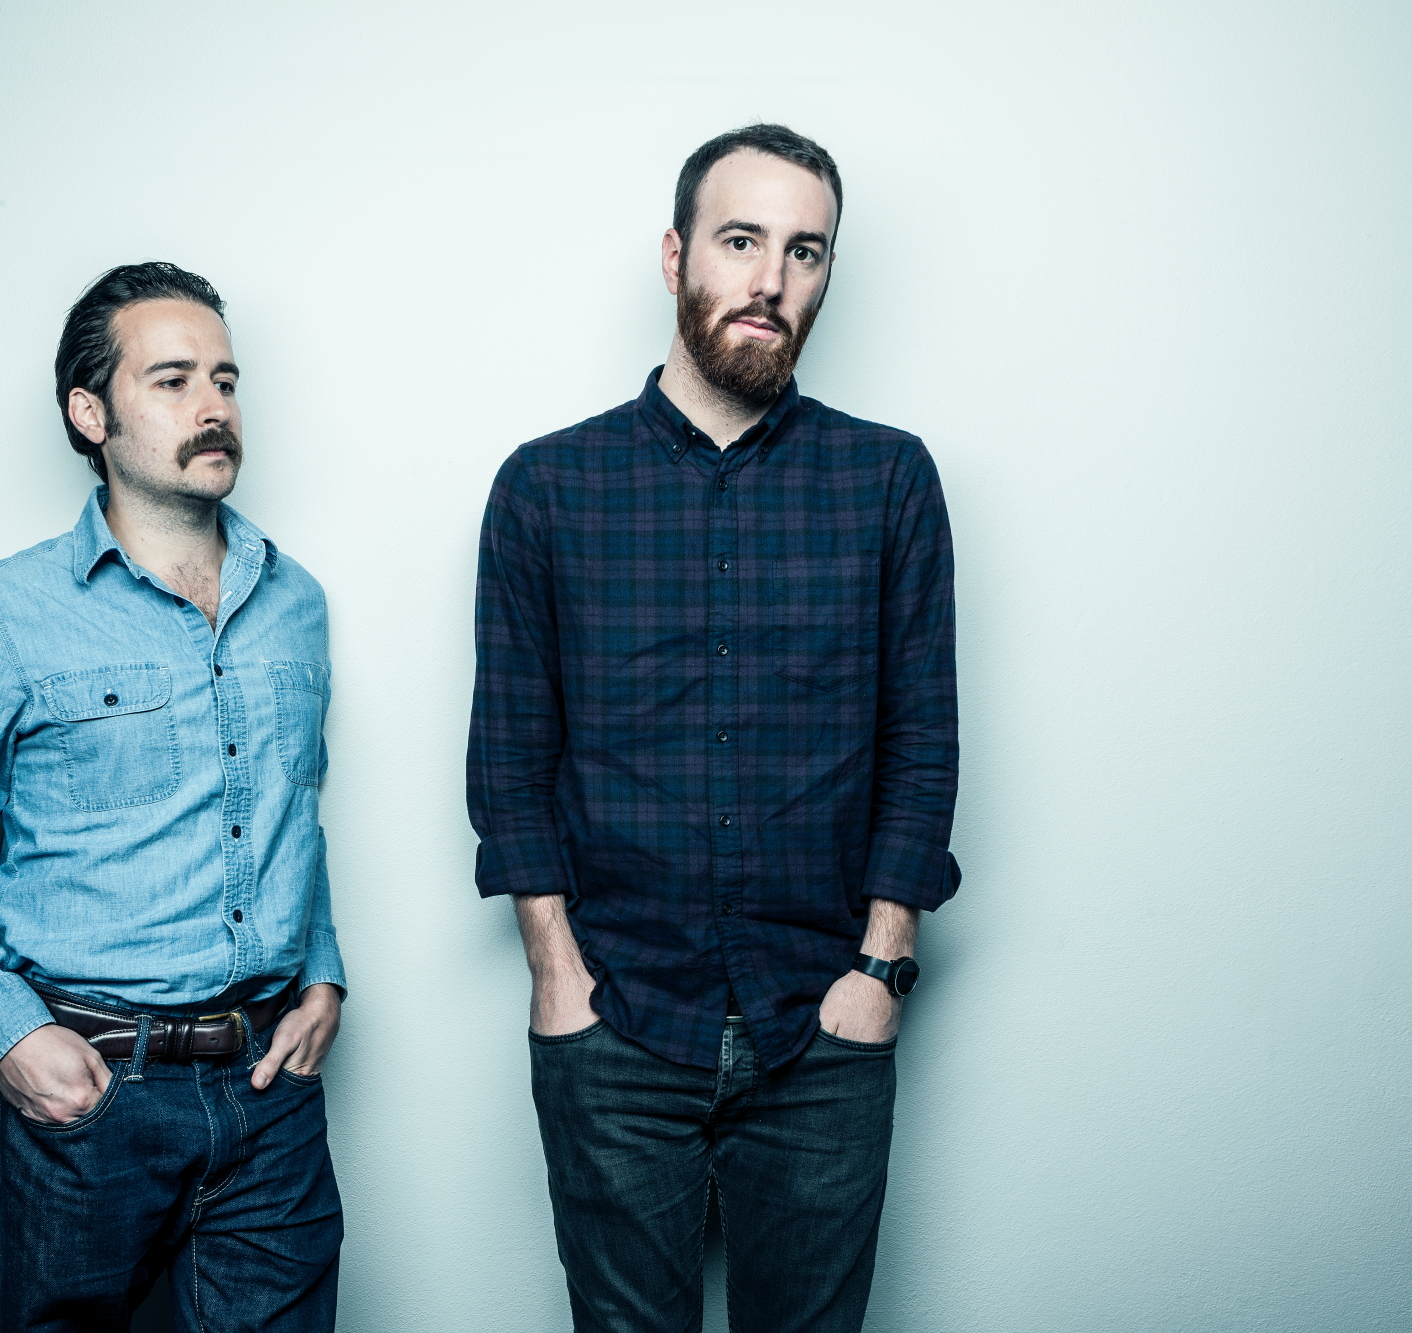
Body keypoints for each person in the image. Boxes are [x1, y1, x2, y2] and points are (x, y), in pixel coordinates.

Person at [468, 125, 961, 1332]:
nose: (770, 281)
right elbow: (511, 752)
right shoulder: (547, 487)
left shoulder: (888, 481)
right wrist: (556, 974)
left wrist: (878, 967)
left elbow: (922, 739)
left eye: (805, 252)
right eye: (741, 242)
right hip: (617, 1026)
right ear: (676, 253)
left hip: (822, 1026)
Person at [0, 262, 346, 1332]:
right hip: (90, 1096)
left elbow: (285, 816)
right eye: (172, 380)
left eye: (225, 379)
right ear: (91, 413)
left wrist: (319, 975)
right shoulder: (6, 616)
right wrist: (5, 1036)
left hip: (270, 1093)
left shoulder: (296, 602)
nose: (213, 406)